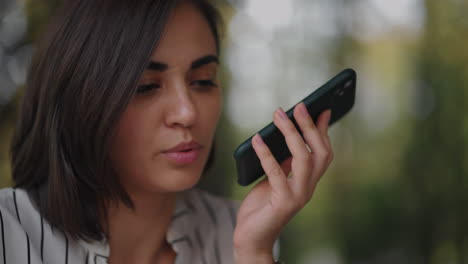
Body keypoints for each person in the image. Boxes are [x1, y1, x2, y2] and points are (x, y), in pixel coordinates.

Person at [0, 0, 333, 263]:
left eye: (203, 81)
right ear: (82, 97)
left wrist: (254, 254)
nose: (187, 112)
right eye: (146, 87)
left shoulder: (240, 233)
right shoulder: (9, 232)